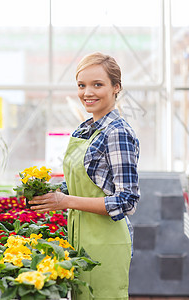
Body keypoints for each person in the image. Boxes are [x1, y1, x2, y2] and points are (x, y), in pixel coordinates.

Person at [29, 52, 140, 300]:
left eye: (97, 84)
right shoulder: (84, 129)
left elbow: (126, 201)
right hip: (78, 237)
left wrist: (65, 202)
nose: (87, 93)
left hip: (106, 242)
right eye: (82, 85)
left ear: (116, 87)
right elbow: (81, 185)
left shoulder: (118, 133)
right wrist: (46, 193)